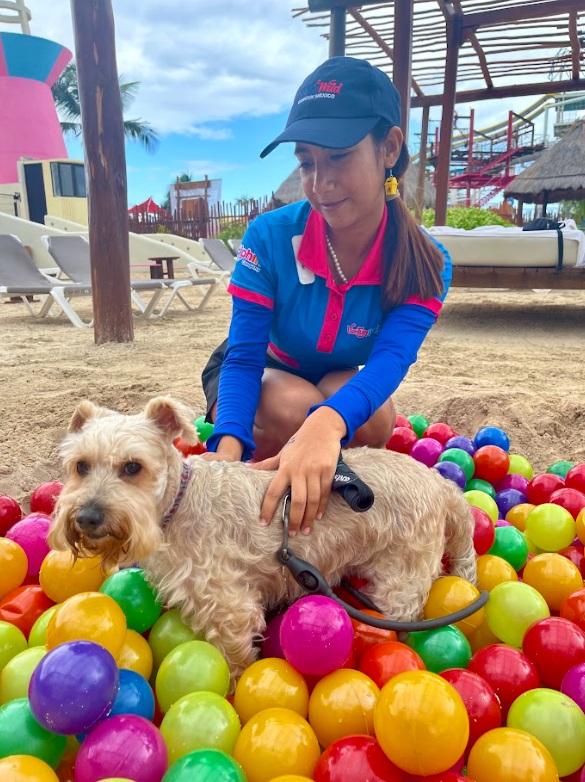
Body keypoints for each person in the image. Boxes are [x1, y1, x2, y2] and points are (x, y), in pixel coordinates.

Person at [201, 56, 451, 538]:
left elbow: (389, 363)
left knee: (375, 420)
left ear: (389, 149)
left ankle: (318, 485)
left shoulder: (426, 262)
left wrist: (327, 424)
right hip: (260, 373)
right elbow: (244, 356)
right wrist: (226, 454)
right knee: (297, 408)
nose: (320, 182)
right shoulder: (270, 235)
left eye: (338, 156)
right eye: (307, 162)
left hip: (332, 378)